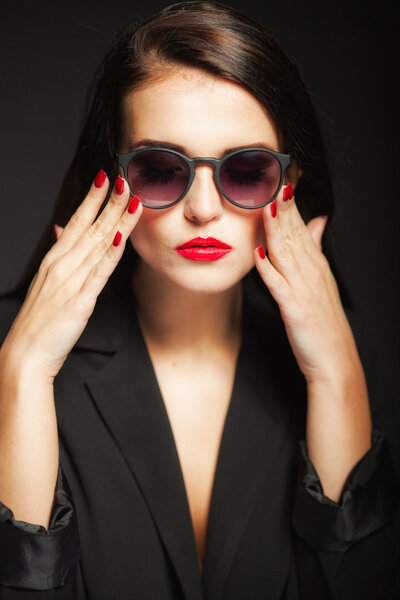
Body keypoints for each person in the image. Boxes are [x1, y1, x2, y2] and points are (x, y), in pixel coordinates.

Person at [0, 1, 398, 598]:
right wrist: (23, 375)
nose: (204, 208)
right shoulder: (13, 352)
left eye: (247, 169)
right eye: (161, 168)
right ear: (110, 179)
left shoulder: (346, 356)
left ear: (287, 186)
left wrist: (336, 373)